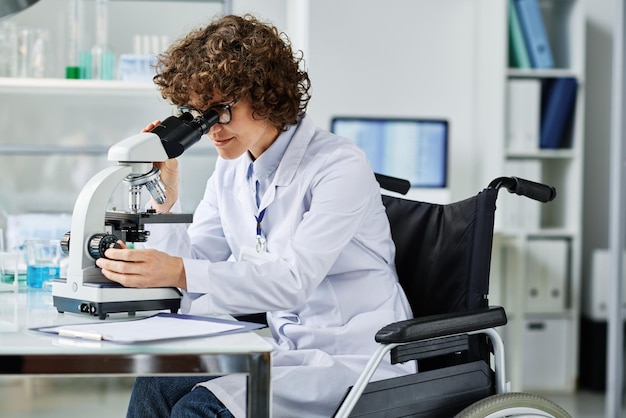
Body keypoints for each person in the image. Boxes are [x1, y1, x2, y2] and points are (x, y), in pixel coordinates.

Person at [95, 13, 414, 418]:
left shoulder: (339, 165)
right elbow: (196, 272)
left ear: (265, 95)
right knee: (154, 386)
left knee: (201, 410)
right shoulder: (232, 168)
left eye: (221, 110)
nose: (212, 130)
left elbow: (291, 282)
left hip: (353, 359)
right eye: (199, 114)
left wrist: (175, 271)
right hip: (281, 351)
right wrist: (166, 205)